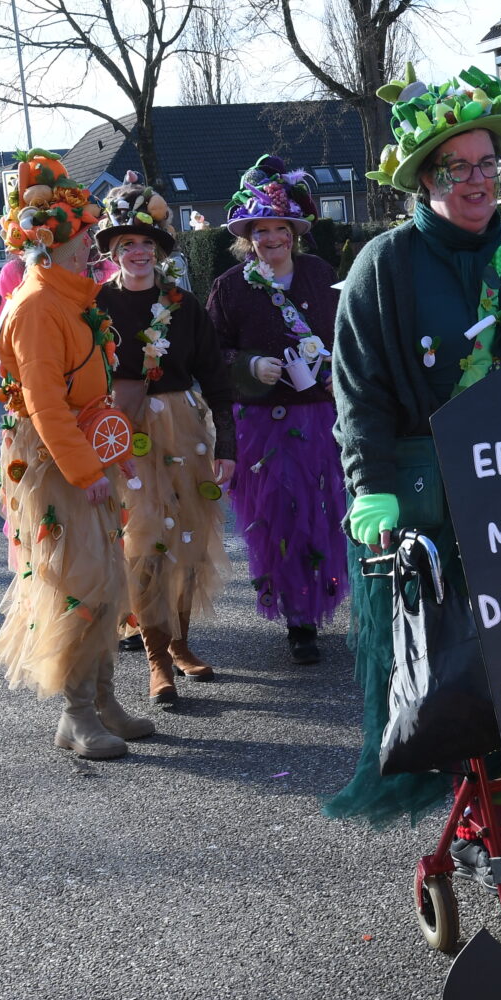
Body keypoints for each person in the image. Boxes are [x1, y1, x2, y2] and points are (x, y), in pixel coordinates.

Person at [328, 63, 501, 826]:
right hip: (439, 503)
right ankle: (482, 818)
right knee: (457, 677)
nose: (478, 181)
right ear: (424, 178)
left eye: (487, 164)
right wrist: (371, 486)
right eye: (457, 168)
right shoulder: (385, 266)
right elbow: (361, 391)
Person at [0, 150, 148, 759]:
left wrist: (112, 452)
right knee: (81, 582)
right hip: (57, 463)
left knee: (107, 579)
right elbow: (45, 403)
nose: (92, 248)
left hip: (84, 451)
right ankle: (76, 716)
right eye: (84, 238)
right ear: (52, 246)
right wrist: (83, 470)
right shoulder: (35, 306)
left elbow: (91, 390)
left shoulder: (71, 297)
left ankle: (103, 702)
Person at [94, 174, 235, 708]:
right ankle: (157, 659)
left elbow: (215, 378)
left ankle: (180, 643)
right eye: (126, 243)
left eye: (146, 243)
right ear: (112, 251)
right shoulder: (96, 304)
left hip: (182, 429)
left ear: (158, 250)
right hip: (121, 431)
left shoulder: (184, 306)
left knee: (188, 543)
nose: (137, 252)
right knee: (145, 544)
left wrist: (228, 446)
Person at [209, 155, 346, 665]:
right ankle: (297, 619)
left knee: (322, 516)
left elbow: (348, 335)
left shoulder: (320, 275)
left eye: (280, 229)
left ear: (294, 233)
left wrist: (336, 372)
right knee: (277, 522)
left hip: (319, 419)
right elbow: (212, 355)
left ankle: (315, 603)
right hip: (262, 426)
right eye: (261, 230)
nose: (272, 238)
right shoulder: (230, 287)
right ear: (248, 238)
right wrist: (250, 365)